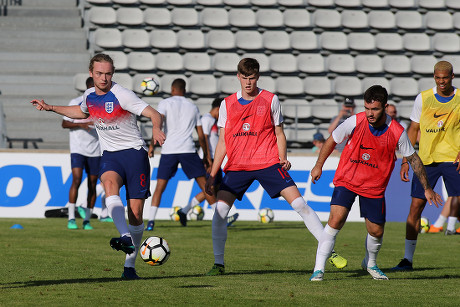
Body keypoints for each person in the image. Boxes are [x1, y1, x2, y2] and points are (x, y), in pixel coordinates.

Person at [204, 58, 347, 276]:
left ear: (257, 77)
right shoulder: (226, 104)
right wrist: (213, 174)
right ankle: (218, 263)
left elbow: (279, 133)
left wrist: (283, 158)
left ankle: (330, 250)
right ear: (238, 77)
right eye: (244, 78)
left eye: (252, 78)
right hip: (238, 165)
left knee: (300, 204)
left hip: (267, 162)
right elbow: (223, 141)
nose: (248, 82)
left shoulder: (270, 99)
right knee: (220, 210)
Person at [31, 53, 165, 280]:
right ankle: (124, 237)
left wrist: (156, 129)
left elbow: (154, 113)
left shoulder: (122, 95)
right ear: (91, 73)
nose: (104, 78)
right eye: (100, 73)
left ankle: (130, 267)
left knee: (135, 214)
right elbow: (81, 112)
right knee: (109, 185)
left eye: (108, 73)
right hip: (111, 155)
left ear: (113, 73)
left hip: (134, 155)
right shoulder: (89, 95)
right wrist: (50, 107)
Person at [309, 85, 442, 282]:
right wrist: (318, 165)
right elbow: (332, 140)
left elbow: (413, 158)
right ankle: (318, 269)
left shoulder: (396, 131)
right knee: (336, 220)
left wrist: (427, 188)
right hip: (347, 178)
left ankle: (370, 263)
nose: (370, 113)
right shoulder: (355, 121)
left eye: (375, 109)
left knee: (376, 231)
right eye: (367, 108)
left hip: (374, 186)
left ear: (385, 107)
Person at [392, 61, 460, 271]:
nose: (441, 82)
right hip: (427, 160)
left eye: (445, 78)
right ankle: (407, 260)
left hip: (453, 159)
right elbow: (413, 129)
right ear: (434, 76)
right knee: (415, 207)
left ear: (452, 77)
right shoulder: (423, 98)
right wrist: (405, 159)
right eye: (438, 78)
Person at [145, 79, 218, 231]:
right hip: (188, 149)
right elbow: (201, 134)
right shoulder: (192, 106)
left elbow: (158, 125)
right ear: (184, 90)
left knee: (160, 187)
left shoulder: (165, 103)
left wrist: (152, 146)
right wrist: (206, 156)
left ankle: (151, 221)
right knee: (205, 185)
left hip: (169, 149)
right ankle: (220, 218)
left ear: (172, 89)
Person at [185, 97, 239, 227]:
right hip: (209, 160)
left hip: (215, 159)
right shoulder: (207, 119)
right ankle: (222, 218)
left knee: (216, 188)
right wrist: (208, 159)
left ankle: (184, 211)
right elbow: (204, 138)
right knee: (211, 187)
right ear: (217, 109)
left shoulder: (213, 121)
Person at [62, 77, 100, 230]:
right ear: (87, 88)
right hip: (78, 148)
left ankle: (87, 220)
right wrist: (83, 124)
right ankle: (71, 218)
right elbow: (65, 123)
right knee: (76, 180)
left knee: (92, 184)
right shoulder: (75, 102)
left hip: (96, 149)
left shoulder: (102, 105)